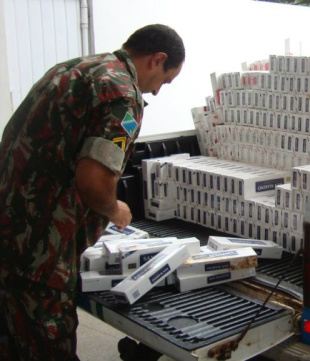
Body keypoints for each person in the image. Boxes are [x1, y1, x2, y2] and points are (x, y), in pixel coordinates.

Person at [0, 24, 185, 360]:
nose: (157, 92)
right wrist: (114, 209)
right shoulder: (122, 97)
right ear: (156, 60)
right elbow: (93, 179)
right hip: (41, 250)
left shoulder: (73, 69)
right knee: (47, 343)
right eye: (165, 81)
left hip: (10, 232)